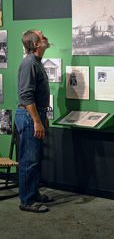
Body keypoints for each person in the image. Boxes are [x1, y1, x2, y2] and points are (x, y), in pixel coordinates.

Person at [14, 30, 53, 213]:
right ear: (36, 44)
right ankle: (27, 201)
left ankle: (33, 192)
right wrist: (37, 121)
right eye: (43, 37)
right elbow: (26, 96)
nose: (46, 38)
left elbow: (36, 96)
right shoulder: (29, 63)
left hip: (35, 116)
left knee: (34, 159)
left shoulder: (36, 63)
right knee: (28, 160)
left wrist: (43, 117)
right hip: (29, 117)